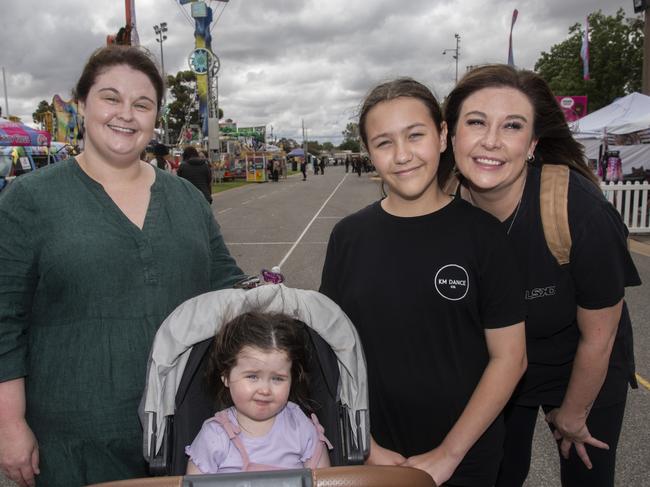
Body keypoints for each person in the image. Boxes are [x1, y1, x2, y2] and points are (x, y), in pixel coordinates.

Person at [0, 45, 245, 487]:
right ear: (81, 105)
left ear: (155, 118)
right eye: (111, 98)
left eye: (142, 104)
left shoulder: (187, 200)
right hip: (74, 444)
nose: (126, 114)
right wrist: (9, 424)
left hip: (187, 431)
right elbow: (4, 320)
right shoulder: (28, 200)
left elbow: (225, 287)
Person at [319, 78, 527, 487]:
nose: (402, 155)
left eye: (415, 135)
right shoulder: (348, 236)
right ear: (368, 152)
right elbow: (332, 350)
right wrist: (367, 445)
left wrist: (448, 455)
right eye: (383, 142)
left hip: (465, 455)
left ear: (443, 136)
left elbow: (510, 358)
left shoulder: (484, 236)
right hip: (373, 451)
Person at [441, 64, 641, 487]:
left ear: (532, 144)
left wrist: (572, 413)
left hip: (583, 366)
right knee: (498, 474)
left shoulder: (578, 210)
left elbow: (599, 336)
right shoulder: (442, 209)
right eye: (476, 122)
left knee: (587, 476)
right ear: (451, 134)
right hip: (502, 366)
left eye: (512, 126)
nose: (491, 141)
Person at [185, 312, 331, 474]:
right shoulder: (215, 436)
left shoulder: (300, 427)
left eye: (277, 379)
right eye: (252, 376)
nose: (265, 390)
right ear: (226, 377)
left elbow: (323, 480)